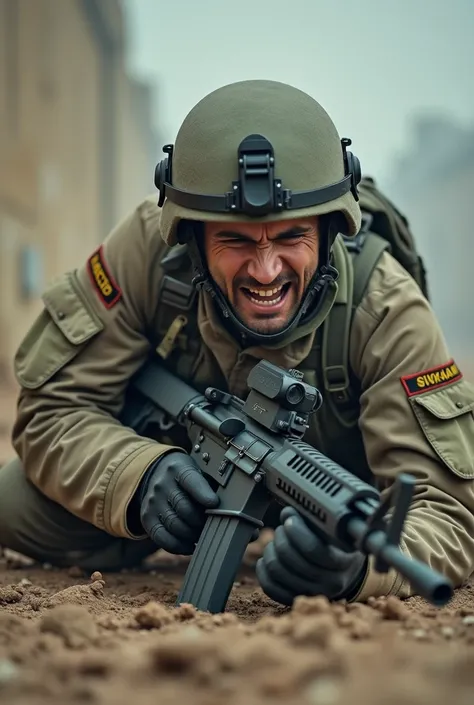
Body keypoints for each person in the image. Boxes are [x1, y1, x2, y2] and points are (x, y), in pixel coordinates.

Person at [1, 79, 473, 606]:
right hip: (186, 480)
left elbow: (446, 512)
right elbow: (53, 409)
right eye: (236, 242)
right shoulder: (147, 254)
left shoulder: (386, 308)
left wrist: (359, 568)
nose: (266, 270)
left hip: (330, 508)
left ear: (329, 229)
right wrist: (137, 477)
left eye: (292, 237)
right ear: (192, 236)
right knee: (10, 501)